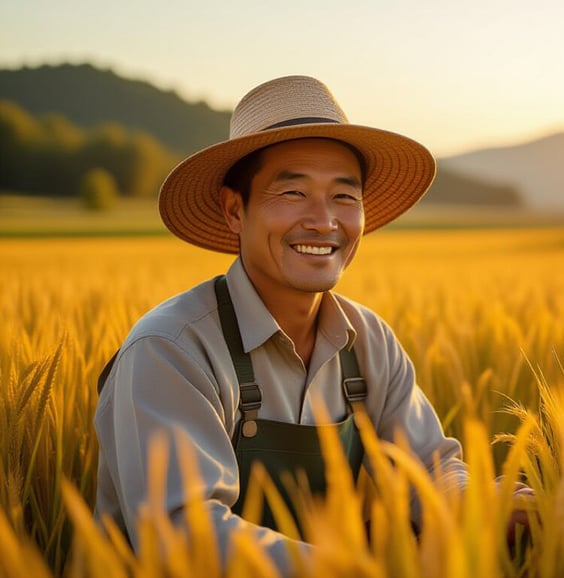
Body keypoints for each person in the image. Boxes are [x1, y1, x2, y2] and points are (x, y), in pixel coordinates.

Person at [93, 75, 529, 574]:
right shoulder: (171, 349)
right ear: (236, 210)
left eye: (344, 197)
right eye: (294, 191)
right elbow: (185, 535)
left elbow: (427, 466)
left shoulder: (368, 341)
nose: (324, 221)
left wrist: (483, 501)